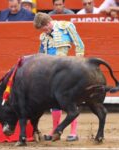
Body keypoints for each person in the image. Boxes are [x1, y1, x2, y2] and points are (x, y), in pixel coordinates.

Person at [33, 12, 85, 141]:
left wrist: (77, 66)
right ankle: (55, 131)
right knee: (53, 101)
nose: (43, 31)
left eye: (44, 28)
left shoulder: (66, 26)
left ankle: (73, 132)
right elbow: (41, 54)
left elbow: (79, 45)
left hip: (65, 71)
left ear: (48, 23)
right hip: (50, 73)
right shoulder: (43, 36)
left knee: (70, 100)